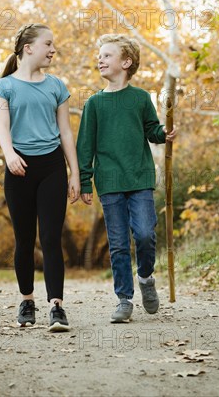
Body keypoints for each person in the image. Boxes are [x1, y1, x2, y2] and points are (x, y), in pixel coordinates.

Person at [77, 34, 177, 323]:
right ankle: (124, 298)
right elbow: (85, 146)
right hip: (109, 181)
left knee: (145, 234)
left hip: (139, 177)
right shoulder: (94, 103)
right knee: (119, 243)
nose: (100, 59)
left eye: (107, 55)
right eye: (100, 55)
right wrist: (85, 182)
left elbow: (152, 130)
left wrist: (164, 134)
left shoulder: (140, 98)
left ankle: (145, 278)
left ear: (126, 62)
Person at [0, 23, 80, 332]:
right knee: (24, 239)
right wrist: (9, 154)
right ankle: (27, 301)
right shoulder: (4, 87)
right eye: (48, 44)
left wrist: (75, 173)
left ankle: (57, 307)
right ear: (29, 48)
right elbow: (2, 127)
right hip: (19, 170)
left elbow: (66, 132)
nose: (53, 50)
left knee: (51, 238)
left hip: (52, 168)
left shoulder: (56, 85)